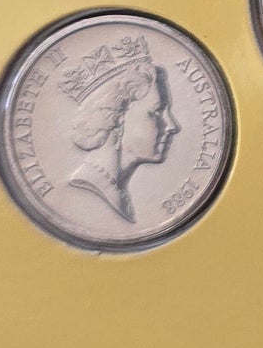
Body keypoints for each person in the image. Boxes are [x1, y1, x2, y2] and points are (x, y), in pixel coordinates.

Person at [58, 36, 179, 224]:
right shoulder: (93, 188)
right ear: (117, 119)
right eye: (157, 111)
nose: (172, 126)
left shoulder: (117, 193)